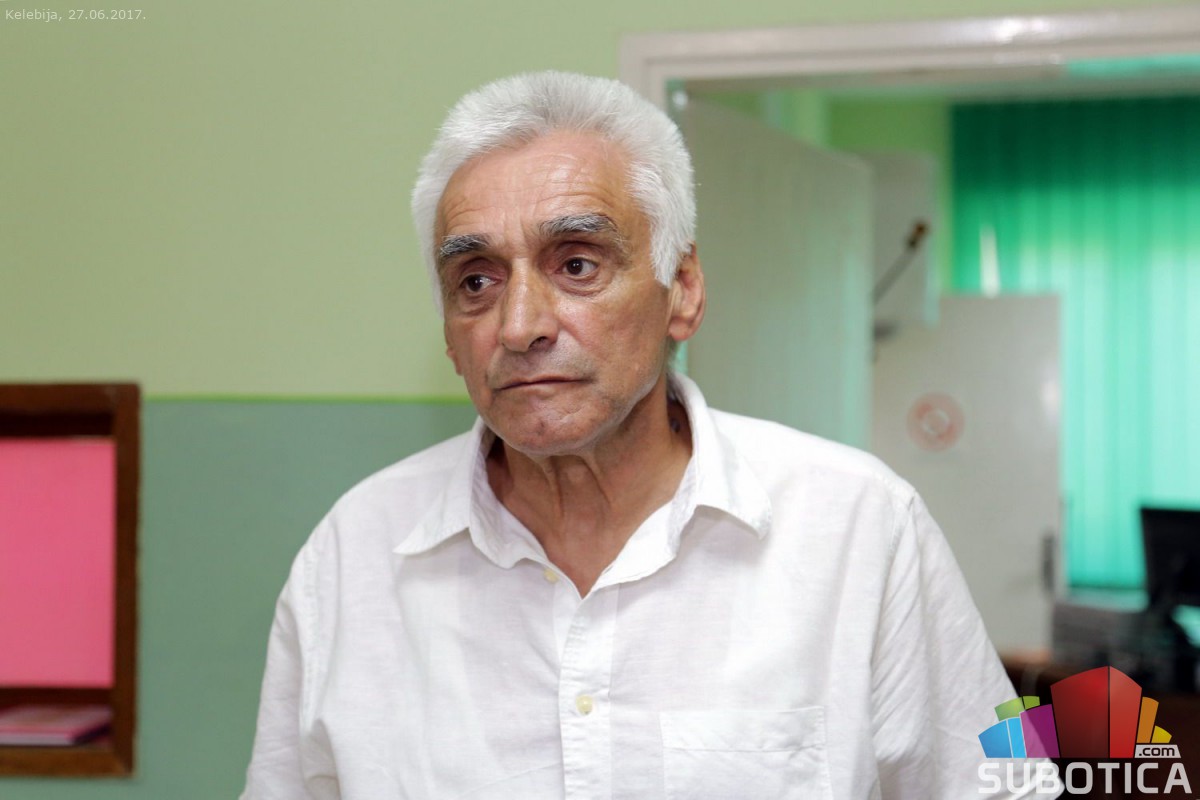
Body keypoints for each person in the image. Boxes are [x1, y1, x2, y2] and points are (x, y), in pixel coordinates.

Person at [241, 71, 1038, 799]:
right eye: (476, 281)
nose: (519, 326)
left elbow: (1010, 785)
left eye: (577, 265)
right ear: (451, 333)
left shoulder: (861, 527)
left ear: (681, 291)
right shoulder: (351, 558)